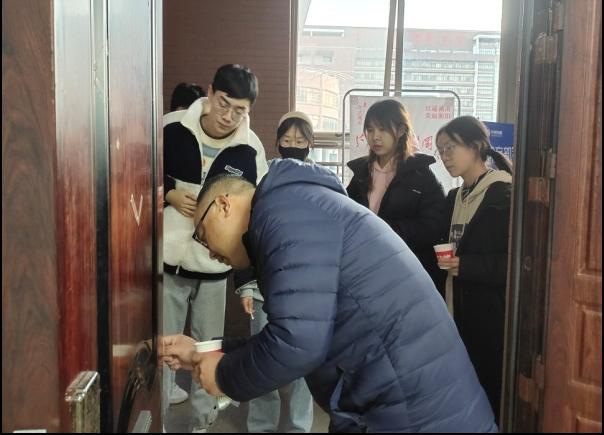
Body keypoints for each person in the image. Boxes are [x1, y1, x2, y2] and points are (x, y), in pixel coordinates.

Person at [161, 159, 498, 433]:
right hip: (405, 399)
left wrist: (224, 375)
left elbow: (298, 342)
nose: (209, 251)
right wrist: (202, 352)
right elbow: (291, 332)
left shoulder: (283, 213)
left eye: (202, 234)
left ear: (223, 205)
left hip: (414, 410)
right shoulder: (296, 206)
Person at [162, 64, 268, 432]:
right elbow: (137, 170)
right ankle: (157, 420)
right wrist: (170, 194)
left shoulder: (250, 149)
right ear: (210, 92)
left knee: (207, 350)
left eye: (240, 110)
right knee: (165, 350)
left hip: (214, 268)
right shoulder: (171, 127)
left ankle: (202, 423)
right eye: (224, 103)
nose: (229, 116)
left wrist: (248, 280)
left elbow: (255, 213)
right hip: (168, 263)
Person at [234, 111, 315, 433]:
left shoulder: (321, 180)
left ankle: (299, 427)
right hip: (264, 285)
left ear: (310, 144)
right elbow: (244, 232)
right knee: (262, 358)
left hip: (306, 288)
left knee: (305, 361)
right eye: (287, 139)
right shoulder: (262, 176)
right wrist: (246, 284)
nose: (293, 145)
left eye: (300, 140)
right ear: (277, 141)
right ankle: (261, 425)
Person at [435, 116, 513, 423]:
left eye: (451, 147)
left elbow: (515, 264)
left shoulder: (502, 195)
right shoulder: (455, 197)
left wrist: (467, 266)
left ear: (476, 146)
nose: (445, 156)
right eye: (441, 150)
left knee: (489, 397)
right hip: (457, 313)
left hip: (490, 321)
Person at [347, 99, 447, 296]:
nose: (375, 137)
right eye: (370, 130)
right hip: (366, 270)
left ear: (401, 131)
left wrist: (387, 229)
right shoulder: (361, 174)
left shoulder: (421, 174)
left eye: (383, 129)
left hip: (407, 272)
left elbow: (435, 226)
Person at [162, 81, 207, 406]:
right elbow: (145, 169)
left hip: (209, 259)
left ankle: (196, 410)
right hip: (171, 255)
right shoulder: (168, 130)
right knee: (173, 339)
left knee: (201, 341)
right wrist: (171, 193)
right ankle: (166, 403)